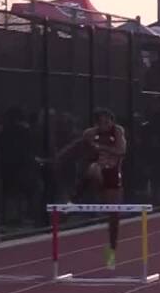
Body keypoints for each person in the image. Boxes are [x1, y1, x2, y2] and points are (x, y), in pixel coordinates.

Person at [43, 109, 128, 268]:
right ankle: (71, 204)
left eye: (107, 122)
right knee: (93, 168)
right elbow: (74, 146)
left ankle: (111, 254)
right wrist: (58, 158)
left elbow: (122, 150)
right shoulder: (89, 133)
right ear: (96, 124)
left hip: (112, 175)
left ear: (112, 121)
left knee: (114, 217)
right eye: (101, 122)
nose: (104, 125)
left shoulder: (118, 131)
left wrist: (100, 148)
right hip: (94, 174)